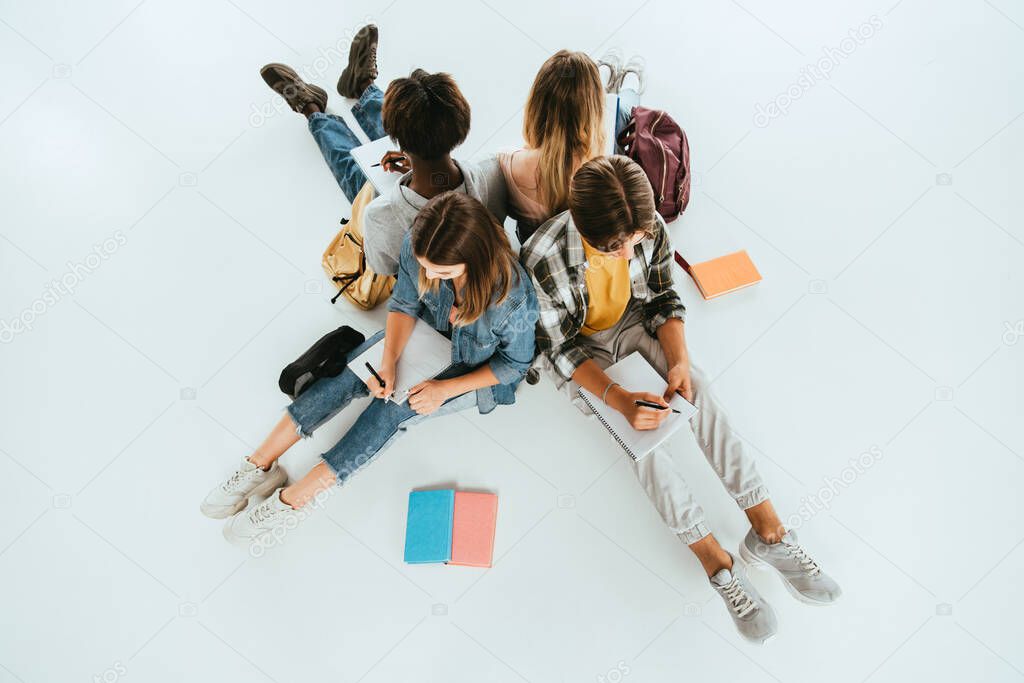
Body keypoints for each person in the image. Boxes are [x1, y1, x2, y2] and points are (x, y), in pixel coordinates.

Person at [520, 156, 840, 644]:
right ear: (585, 229)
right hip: (584, 354)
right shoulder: (542, 257)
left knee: (700, 389)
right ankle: (716, 561)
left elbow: (665, 297)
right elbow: (559, 350)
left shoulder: (647, 228)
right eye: (617, 247)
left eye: (637, 241)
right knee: (644, 447)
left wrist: (677, 362)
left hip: (634, 324)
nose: (630, 253)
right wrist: (620, 398)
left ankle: (768, 530)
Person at [200, 192, 537, 544]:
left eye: (444, 271)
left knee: (391, 412)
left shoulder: (513, 299)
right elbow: (405, 304)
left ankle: (292, 501)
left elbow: (515, 364)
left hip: (472, 369)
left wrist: (445, 389)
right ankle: (259, 466)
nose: (431, 276)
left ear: (476, 259)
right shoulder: (418, 244)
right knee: (351, 373)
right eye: (426, 266)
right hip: (424, 333)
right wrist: (389, 360)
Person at [258, 24, 507, 276]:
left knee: (355, 169)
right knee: (417, 121)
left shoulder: (379, 214)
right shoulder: (492, 170)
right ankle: (362, 84)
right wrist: (416, 168)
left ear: (394, 139)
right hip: (425, 184)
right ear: (462, 125)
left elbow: (383, 269)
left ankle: (312, 109)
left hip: (403, 222)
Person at [498, 49, 646, 245]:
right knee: (623, 112)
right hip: (581, 244)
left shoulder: (507, 162)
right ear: (594, 114)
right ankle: (627, 82)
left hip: (538, 245)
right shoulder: (602, 170)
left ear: (535, 105)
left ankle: (603, 73)